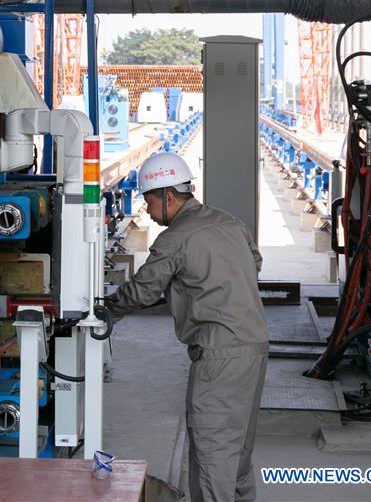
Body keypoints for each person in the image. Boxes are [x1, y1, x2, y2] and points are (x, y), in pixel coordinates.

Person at [105, 152, 268, 502]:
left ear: (168, 196)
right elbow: (254, 263)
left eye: (148, 199)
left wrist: (107, 312)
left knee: (211, 456)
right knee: (236, 454)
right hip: (254, 347)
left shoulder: (175, 238)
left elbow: (143, 289)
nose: (147, 209)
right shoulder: (229, 222)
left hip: (219, 355)